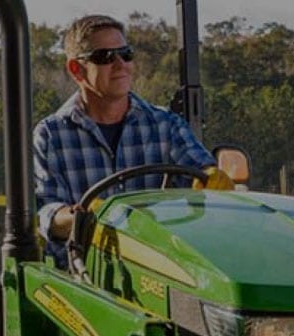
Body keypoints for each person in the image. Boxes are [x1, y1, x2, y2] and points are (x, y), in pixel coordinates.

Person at [32, 14, 221, 249]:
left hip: (159, 264)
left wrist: (211, 177)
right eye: (105, 57)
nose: (121, 64)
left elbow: (201, 174)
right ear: (76, 69)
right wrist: (84, 218)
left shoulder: (165, 125)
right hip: (83, 274)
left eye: (126, 53)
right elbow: (47, 213)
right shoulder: (51, 135)